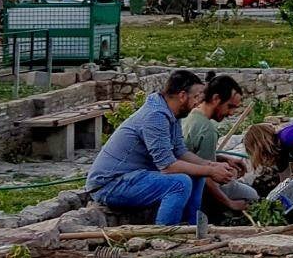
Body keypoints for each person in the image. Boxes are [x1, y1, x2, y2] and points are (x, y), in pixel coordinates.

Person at [85, 69, 238, 225]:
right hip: (110, 184)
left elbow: (180, 151)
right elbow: (167, 166)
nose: (199, 102)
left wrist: (210, 165)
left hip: (134, 177)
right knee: (180, 183)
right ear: (182, 96)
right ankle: (166, 233)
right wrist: (211, 171)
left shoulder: (173, 114)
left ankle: (193, 227)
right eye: (196, 96)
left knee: (198, 175)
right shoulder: (155, 116)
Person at [182, 74, 260, 218]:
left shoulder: (189, 115)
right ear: (216, 99)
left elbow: (193, 155)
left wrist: (223, 158)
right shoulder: (207, 129)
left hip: (186, 179)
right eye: (229, 106)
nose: (230, 113)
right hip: (195, 186)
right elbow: (206, 177)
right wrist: (230, 203)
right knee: (252, 196)